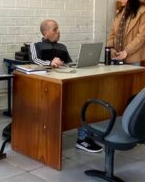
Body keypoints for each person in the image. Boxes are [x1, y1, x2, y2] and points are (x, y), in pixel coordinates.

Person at [31, 19, 103, 153]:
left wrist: (77, 64)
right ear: (45, 32)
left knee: (84, 99)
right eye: (55, 29)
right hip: (47, 85)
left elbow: (68, 64)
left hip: (65, 80)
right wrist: (50, 62)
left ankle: (84, 138)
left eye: (58, 28)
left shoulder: (62, 47)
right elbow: (34, 61)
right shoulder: (36, 45)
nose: (59, 32)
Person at [106, 0, 145, 65]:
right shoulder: (120, 13)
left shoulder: (143, 12)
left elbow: (142, 36)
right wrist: (111, 48)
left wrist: (126, 51)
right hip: (117, 55)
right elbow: (112, 33)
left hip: (133, 56)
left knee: (133, 74)